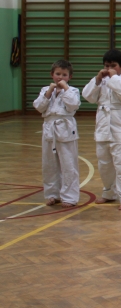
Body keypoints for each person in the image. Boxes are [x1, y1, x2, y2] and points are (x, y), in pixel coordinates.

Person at [82, 49, 121, 210]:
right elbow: (87, 96)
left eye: (113, 66)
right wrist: (97, 79)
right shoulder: (101, 81)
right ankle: (109, 192)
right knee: (104, 164)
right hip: (103, 126)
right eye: (106, 66)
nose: (109, 69)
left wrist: (114, 78)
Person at [33, 59, 81, 208]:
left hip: (65, 128)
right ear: (52, 74)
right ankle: (52, 194)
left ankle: (70, 197)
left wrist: (65, 88)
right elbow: (38, 107)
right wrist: (49, 92)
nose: (60, 77)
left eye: (64, 75)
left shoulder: (73, 91)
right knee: (49, 164)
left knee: (68, 164)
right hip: (49, 128)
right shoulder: (45, 90)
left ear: (70, 77)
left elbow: (73, 105)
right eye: (58, 74)